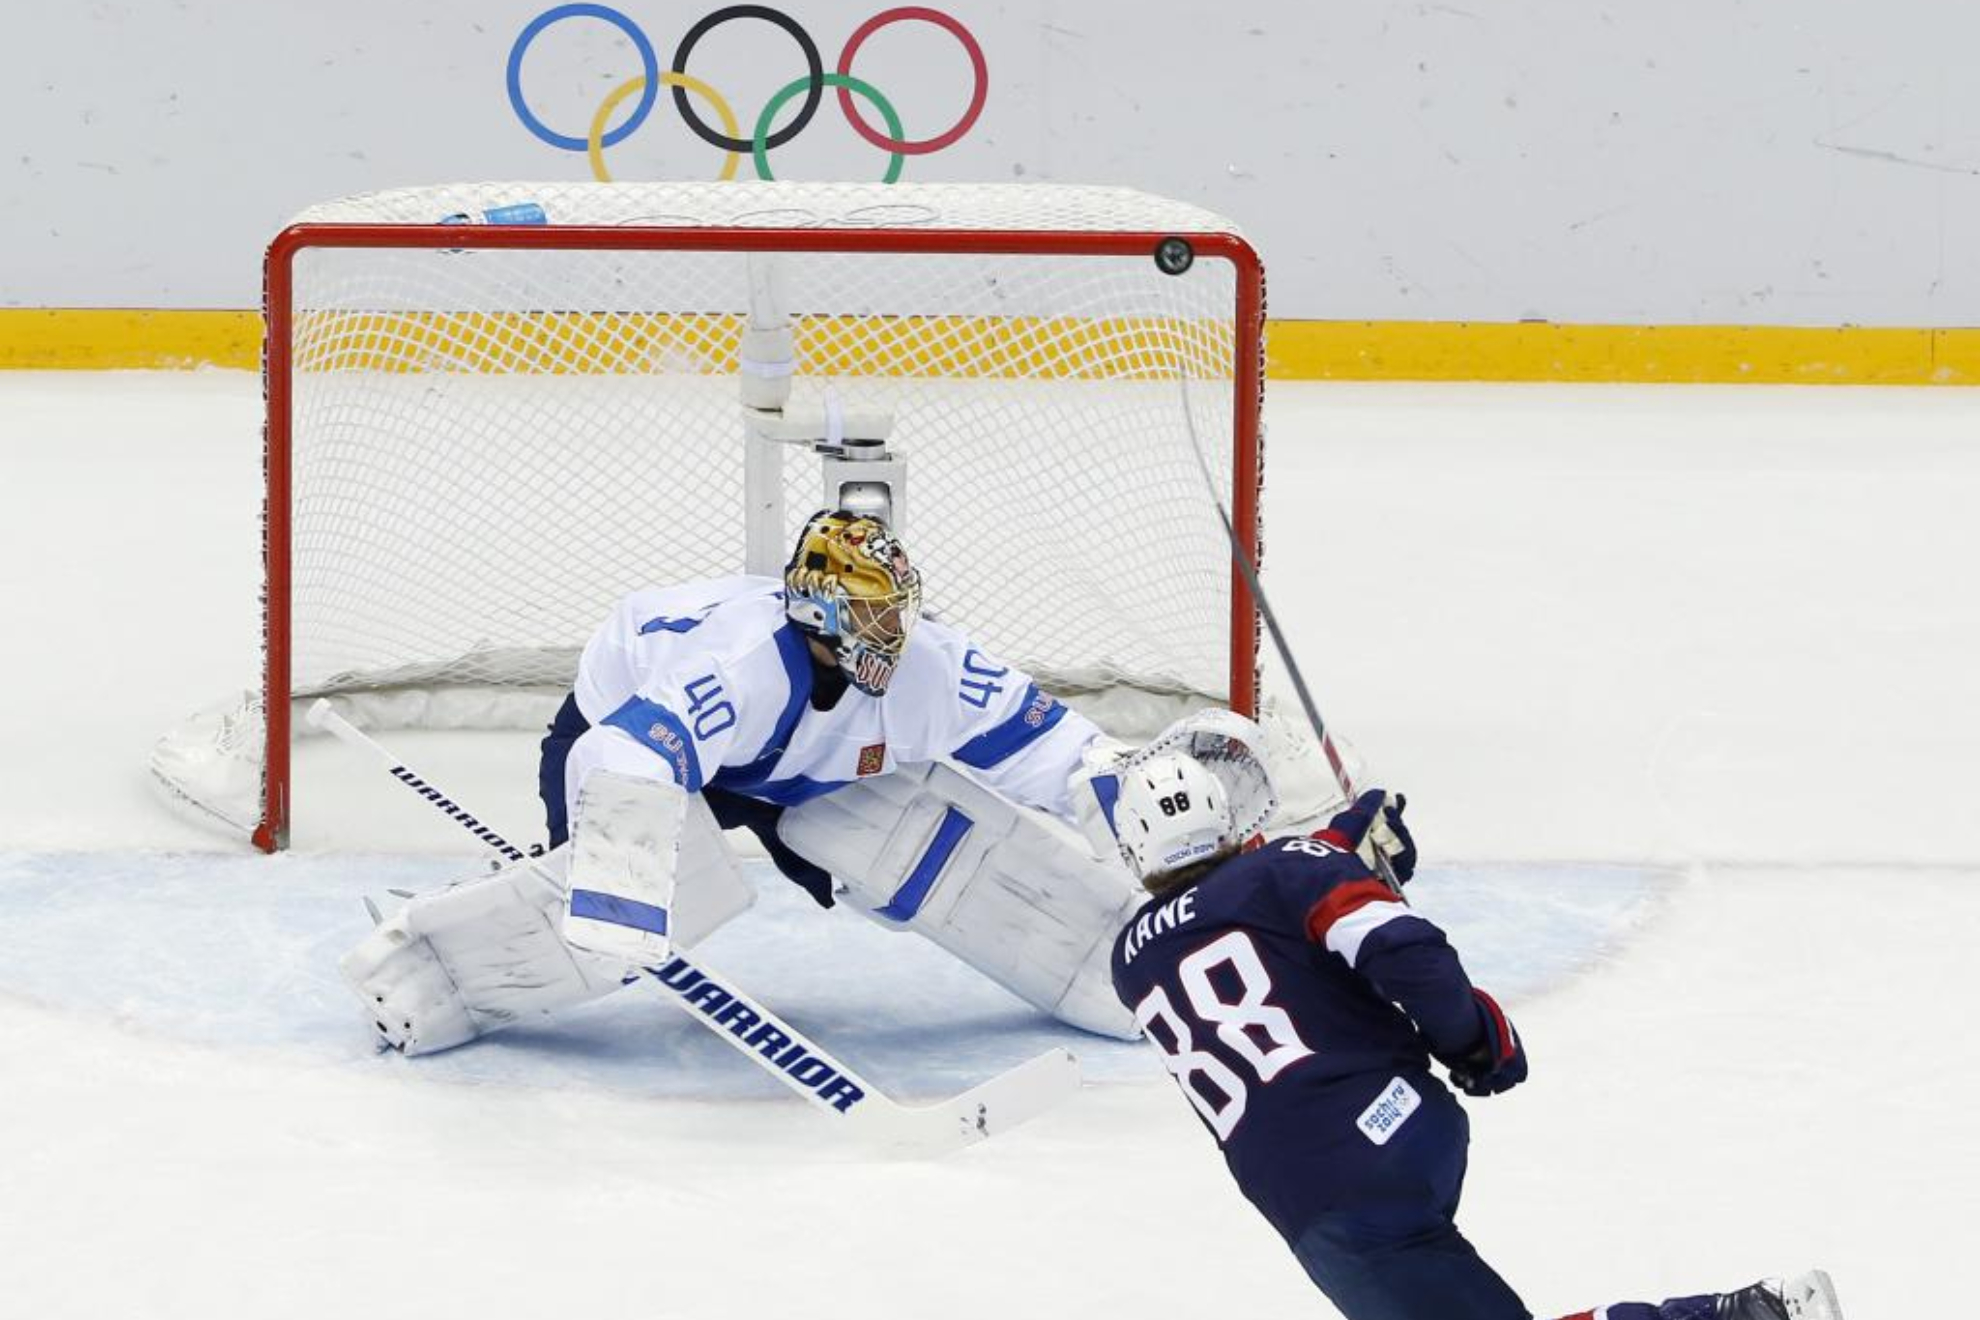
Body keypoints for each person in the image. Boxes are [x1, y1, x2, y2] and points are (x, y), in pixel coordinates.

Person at [340, 509, 1147, 1054]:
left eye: (897, 613)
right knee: (645, 885)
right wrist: (620, 875)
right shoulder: (737, 666)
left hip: (793, 772)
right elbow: (628, 757)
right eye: (871, 617)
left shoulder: (934, 667)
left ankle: (1135, 962)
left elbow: (1054, 748)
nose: (892, 635)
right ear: (820, 614)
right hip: (621, 724)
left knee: (894, 837)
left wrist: (1141, 805)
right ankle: (438, 952)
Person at [1105, 735, 1845, 1320]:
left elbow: (1235, 916)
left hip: (1323, 1198)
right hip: (1396, 1134)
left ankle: (1754, 1314)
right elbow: (1396, 945)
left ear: (1137, 850)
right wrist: (1473, 1039)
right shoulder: (1291, 869)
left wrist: (1337, 850)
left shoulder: (1130, 962)